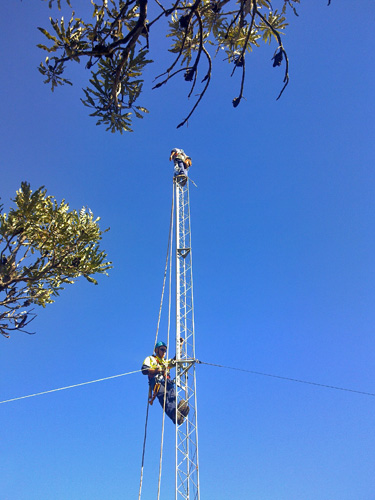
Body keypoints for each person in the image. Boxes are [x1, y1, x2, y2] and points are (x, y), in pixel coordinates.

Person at [142, 340, 189, 425]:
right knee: (165, 398)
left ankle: (178, 414)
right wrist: (158, 370)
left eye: (165, 350)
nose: (164, 352)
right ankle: (175, 416)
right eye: (162, 350)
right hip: (158, 383)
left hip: (168, 382)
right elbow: (144, 370)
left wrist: (180, 346)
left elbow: (176, 360)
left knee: (172, 397)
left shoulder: (165, 362)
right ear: (156, 350)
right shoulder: (151, 359)